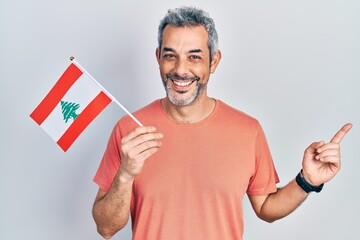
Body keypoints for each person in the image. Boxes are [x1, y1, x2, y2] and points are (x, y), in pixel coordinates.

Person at [92, 6, 352, 239]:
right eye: (171, 55)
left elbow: (266, 208)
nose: (181, 70)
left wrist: (308, 180)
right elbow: (106, 228)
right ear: (158, 57)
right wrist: (125, 176)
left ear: (213, 61)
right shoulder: (129, 130)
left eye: (194, 56)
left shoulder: (247, 130)